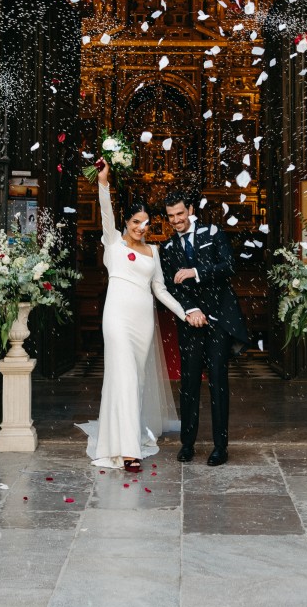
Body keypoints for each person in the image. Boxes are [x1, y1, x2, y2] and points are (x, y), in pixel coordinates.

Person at [77, 161, 196, 472]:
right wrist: (103, 182)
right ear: (126, 222)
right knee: (125, 378)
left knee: (136, 381)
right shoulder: (113, 243)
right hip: (117, 319)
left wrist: (186, 313)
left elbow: (161, 290)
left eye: (146, 223)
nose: (141, 228)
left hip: (144, 322)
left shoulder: (154, 253)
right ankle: (128, 451)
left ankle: (124, 436)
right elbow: (106, 213)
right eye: (136, 222)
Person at [161, 189, 249, 467]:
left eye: (180, 214)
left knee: (218, 383)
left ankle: (220, 447)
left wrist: (196, 272)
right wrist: (190, 310)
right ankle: (187, 444)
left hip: (219, 320)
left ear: (190, 209)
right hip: (190, 322)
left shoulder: (213, 233)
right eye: (171, 216)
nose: (176, 220)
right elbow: (169, 285)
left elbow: (229, 266)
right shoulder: (167, 248)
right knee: (188, 383)